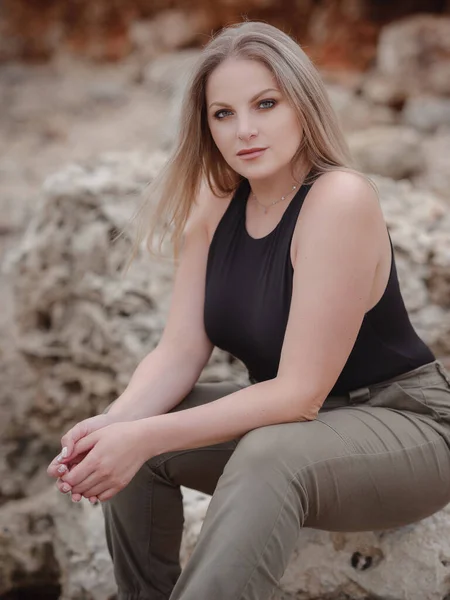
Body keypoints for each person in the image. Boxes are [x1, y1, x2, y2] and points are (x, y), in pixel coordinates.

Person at [47, 20, 450, 600]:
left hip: (405, 425)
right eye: (223, 113)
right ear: (205, 125)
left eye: (266, 103)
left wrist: (145, 437)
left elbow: (297, 395)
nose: (246, 130)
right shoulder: (216, 199)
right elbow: (181, 349)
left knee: (253, 450)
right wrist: (115, 427)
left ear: (303, 105)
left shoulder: (338, 198)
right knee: (133, 434)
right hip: (301, 430)